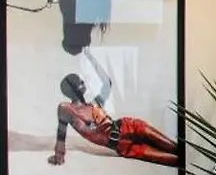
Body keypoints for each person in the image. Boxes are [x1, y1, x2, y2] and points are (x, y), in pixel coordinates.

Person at [47, 52, 179, 168]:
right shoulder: (66, 109)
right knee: (173, 159)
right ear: (72, 88)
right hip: (123, 145)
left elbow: (107, 82)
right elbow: (62, 133)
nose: (84, 83)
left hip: (130, 126)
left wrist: (91, 58)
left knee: (175, 147)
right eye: (80, 82)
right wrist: (59, 155)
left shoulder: (95, 104)